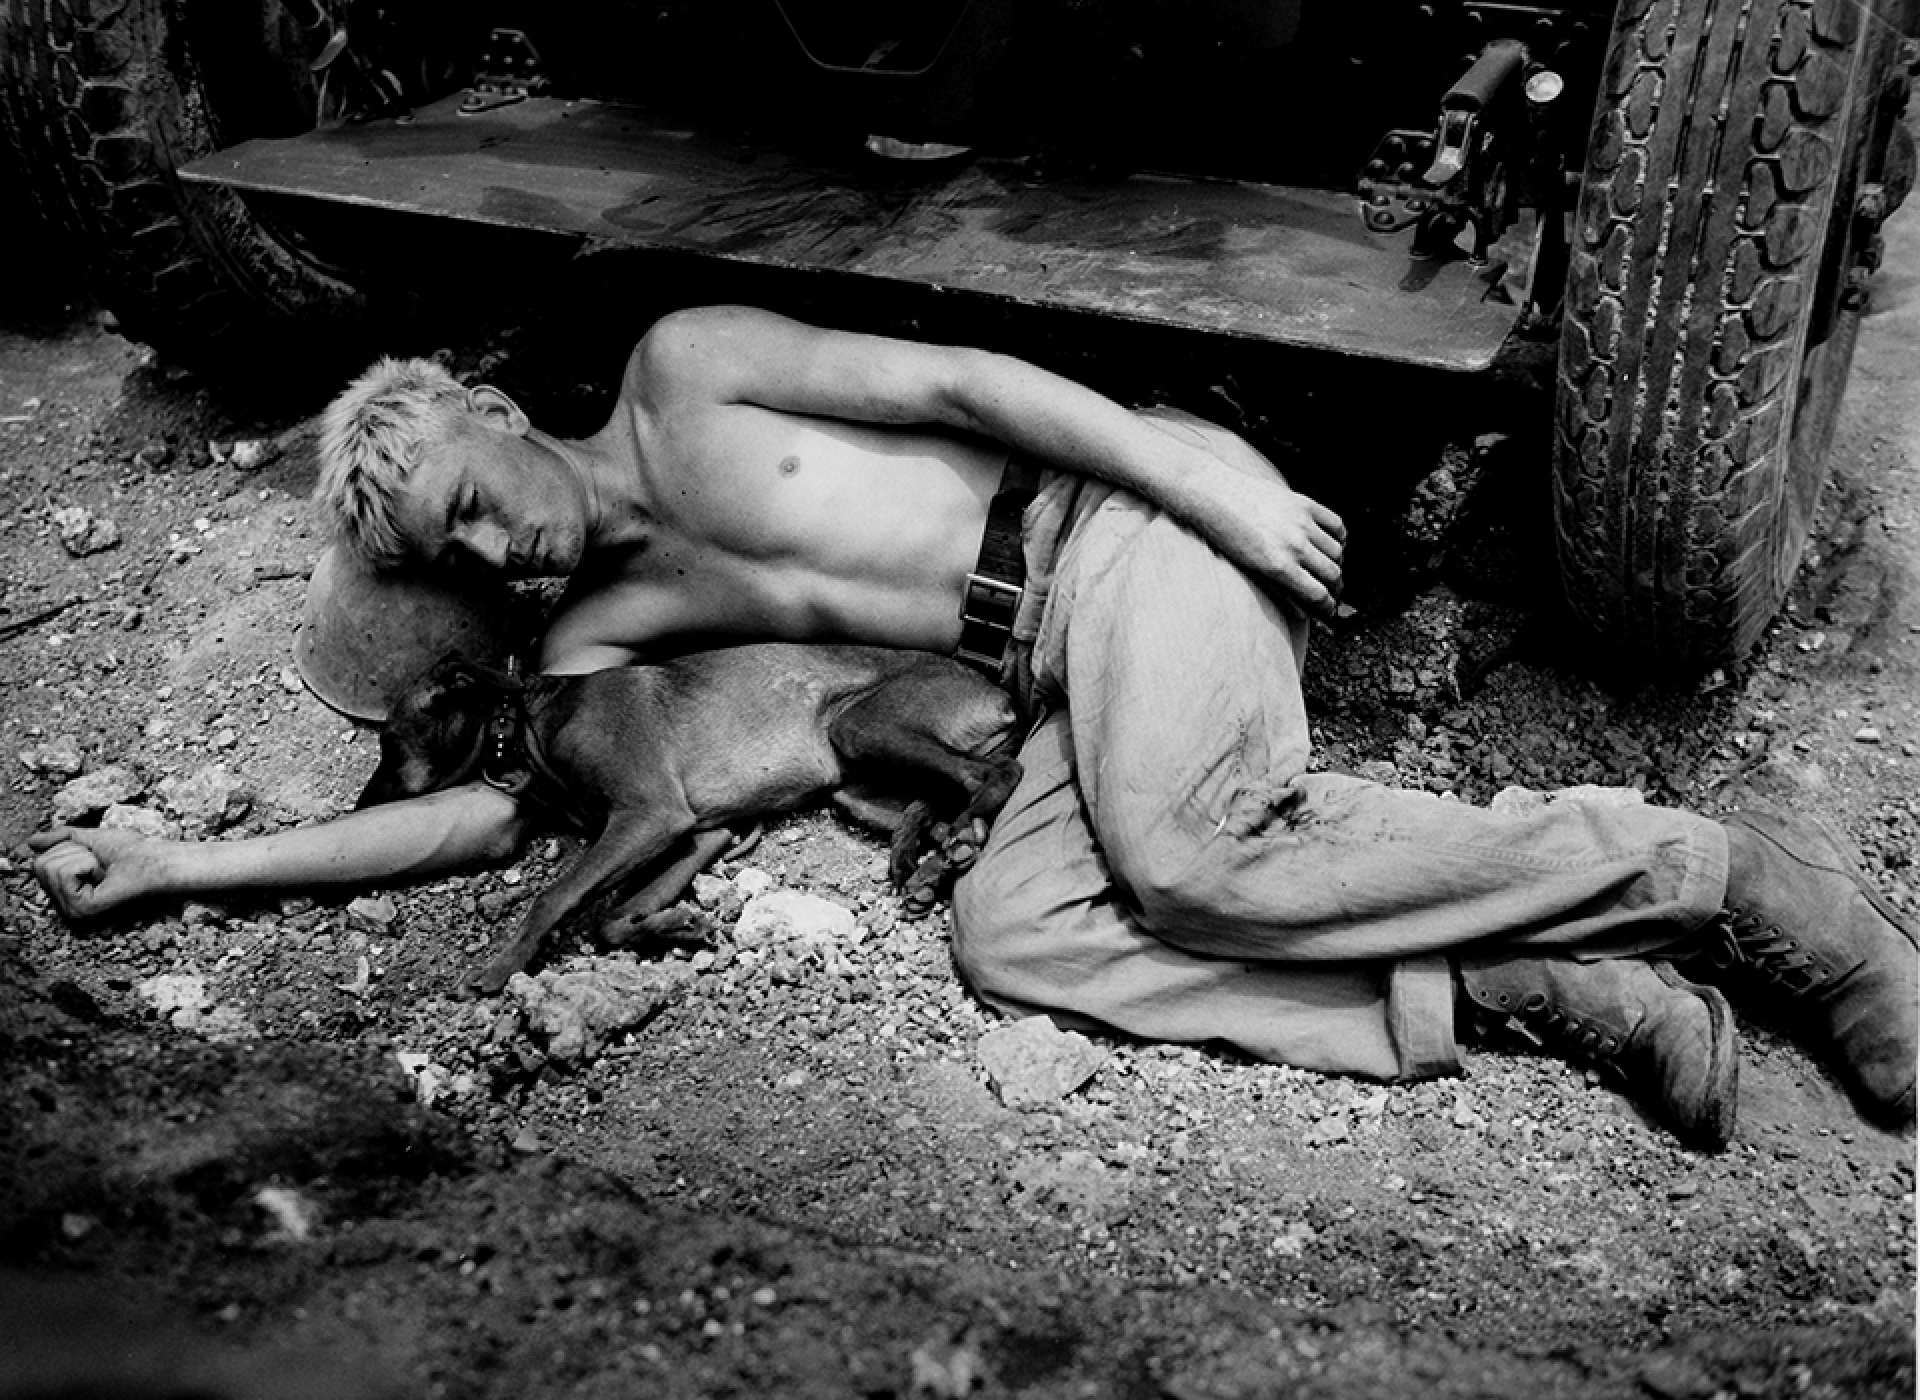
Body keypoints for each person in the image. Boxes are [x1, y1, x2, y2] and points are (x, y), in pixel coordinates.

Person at [30, 305, 1917, 1151]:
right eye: (449, 546)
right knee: (1009, 934)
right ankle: (1530, 989)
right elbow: (483, 828)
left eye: (465, 484)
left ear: (492, 401)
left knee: (1186, 854)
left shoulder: (684, 374)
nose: (488, 538)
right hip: (1030, 683)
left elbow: (961, 377)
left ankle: (1743, 887)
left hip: (1125, 533)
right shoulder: (608, 629)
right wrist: (193, 861)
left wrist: (1198, 472)